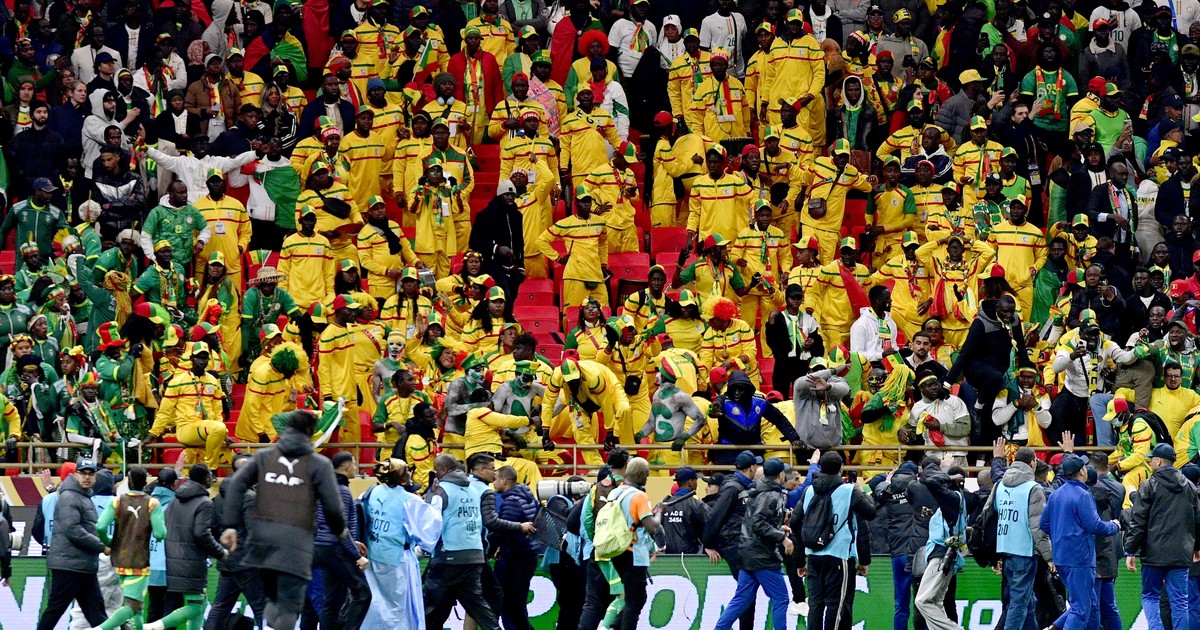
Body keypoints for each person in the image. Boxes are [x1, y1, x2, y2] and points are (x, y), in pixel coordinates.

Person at [219, 409, 349, 630]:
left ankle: (272, 621)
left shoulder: (264, 456)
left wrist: (230, 526)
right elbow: (333, 506)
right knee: (289, 606)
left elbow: (235, 484)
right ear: (311, 432)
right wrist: (340, 531)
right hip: (296, 544)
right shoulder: (319, 464)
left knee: (273, 600)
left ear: (288, 428)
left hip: (261, 543)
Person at [793, 451, 877, 630]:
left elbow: (795, 522)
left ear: (821, 468)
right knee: (837, 605)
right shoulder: (849, 491)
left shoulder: (809, 490)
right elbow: (870, 513)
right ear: (841, 469)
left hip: (813, 555)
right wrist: (862, 493)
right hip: (839, 555)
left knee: (815, 604)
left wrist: (799, 560)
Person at [358, 458, 443, 628]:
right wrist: (436, 500)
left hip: (372, 555)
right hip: (398, 560)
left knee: (374, 605)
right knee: (398, 610)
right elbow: (430, 528)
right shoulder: (409, 500)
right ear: (403, 479)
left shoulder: (370, 492)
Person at [143, 464, 229, 630]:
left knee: (158, 606)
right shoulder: (204, 503)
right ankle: (156, 626)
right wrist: (221, 553)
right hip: (189, 561)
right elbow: (201, 534)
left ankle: (154, 625)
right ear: (205, 479)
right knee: (193, 605)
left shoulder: (174, 501)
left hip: (164, 559)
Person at [577, 456, 660, 630]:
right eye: (646, 475)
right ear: (639, 474)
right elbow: (650, 527)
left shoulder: (610, 491)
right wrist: (660, 513)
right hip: (632, 551)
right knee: (631, 599)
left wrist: (597, 542)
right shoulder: (638, 496)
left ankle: (613, 626)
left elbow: (587, 520)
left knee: (602, 601)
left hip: (608, 550)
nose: (647, 479)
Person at [1124, 442, 1200, 630]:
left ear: (1158, 461)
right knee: (1180, 601)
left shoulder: (1149, 485)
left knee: (1150, 596)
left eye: (1152, 460)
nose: (1150, 463)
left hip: (1153, 555)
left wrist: (1130, 550)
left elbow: (1138, 520)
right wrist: (1196, 547)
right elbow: (1197, 520)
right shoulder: (1190, 487)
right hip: (1181, 553)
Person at [1040, 454, 1121, 630]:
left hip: (1061, 557)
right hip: (1080, 559)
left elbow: (1044, 524)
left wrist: (1061, 533)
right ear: (1082, 471)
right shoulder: (1083, 495)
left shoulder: (1055, 494)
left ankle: (1054, 628)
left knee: (1089, 603)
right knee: (1080, 609)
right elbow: (1095, 525)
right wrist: (1114, 526)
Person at [713, 457, 793, 630]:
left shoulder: (755, 490)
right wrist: (782, 538)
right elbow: (758, 523)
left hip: (746, 552)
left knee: (741, 599)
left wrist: (779, 528)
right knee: (781, 599)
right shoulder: (772, 494)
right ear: (781, 474)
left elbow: (755, 521)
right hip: (763, 556)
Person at [422, 454, 501, 630]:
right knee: (478, 606)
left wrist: (422, 548)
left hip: (448, 555)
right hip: (474, 555)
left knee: (431, 607)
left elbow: (428, 522)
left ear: (443, 470)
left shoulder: (441, 490)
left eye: (436, 471)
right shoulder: (474, 489)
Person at [90, 466, 166, 630]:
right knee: (132, 606)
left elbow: (101, 526)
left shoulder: (117, 501)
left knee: (138, 608)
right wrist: (162, 531)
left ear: (128, 482)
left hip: (119, 561)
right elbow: (160, 534)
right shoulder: (152, 503)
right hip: (139, 562)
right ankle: (101, 629)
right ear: (145, 483)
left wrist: (109, 542)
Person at [36, 458, 108, 630]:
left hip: (81, 564)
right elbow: (72, 529)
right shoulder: (70, 496)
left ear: (95, 477)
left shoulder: (81, 495)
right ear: (75, 474)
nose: (87, 477)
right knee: (56, 610)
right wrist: (101, 546)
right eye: (83, 473)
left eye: (90, 474)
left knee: (96, 613)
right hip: (70, 565)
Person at [990, 446, 1053, 630]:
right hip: (1024, 552)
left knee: (1027, 601)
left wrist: (995, 554)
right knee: (1018, 604)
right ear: (1032, 463)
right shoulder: (1033, 488)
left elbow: (991, 519)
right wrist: (1049, 557)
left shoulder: (999, 485)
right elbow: (1037, 527)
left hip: (1005, 549)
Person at [702, 450, 762, 630]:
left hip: (741, 542)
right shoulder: (733, 488)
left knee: (747, 592)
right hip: (733, 544)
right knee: (746, 593)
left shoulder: (743, 487)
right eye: (756, 465)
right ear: (751, 467)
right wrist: (707, 544)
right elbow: (715, 516)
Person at [312, 451, 370, 630]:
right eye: (354, 464)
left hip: (321, 548)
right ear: (347, 467)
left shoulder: (325, 487)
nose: (356, 467)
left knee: (332, 599)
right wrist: (356, 555)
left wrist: (353, 542)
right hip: (335, 549)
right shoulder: (342, 491)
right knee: (363, 593)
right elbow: (339, 528)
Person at [655, 467, 709, 554]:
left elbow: (652, 528)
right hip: (692, 557)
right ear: (690, 482)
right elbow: (711, 526)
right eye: (696, 480)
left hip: (666, 557)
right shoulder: (697, 504)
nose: (696, 483)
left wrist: (660, 548)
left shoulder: (663, 504)